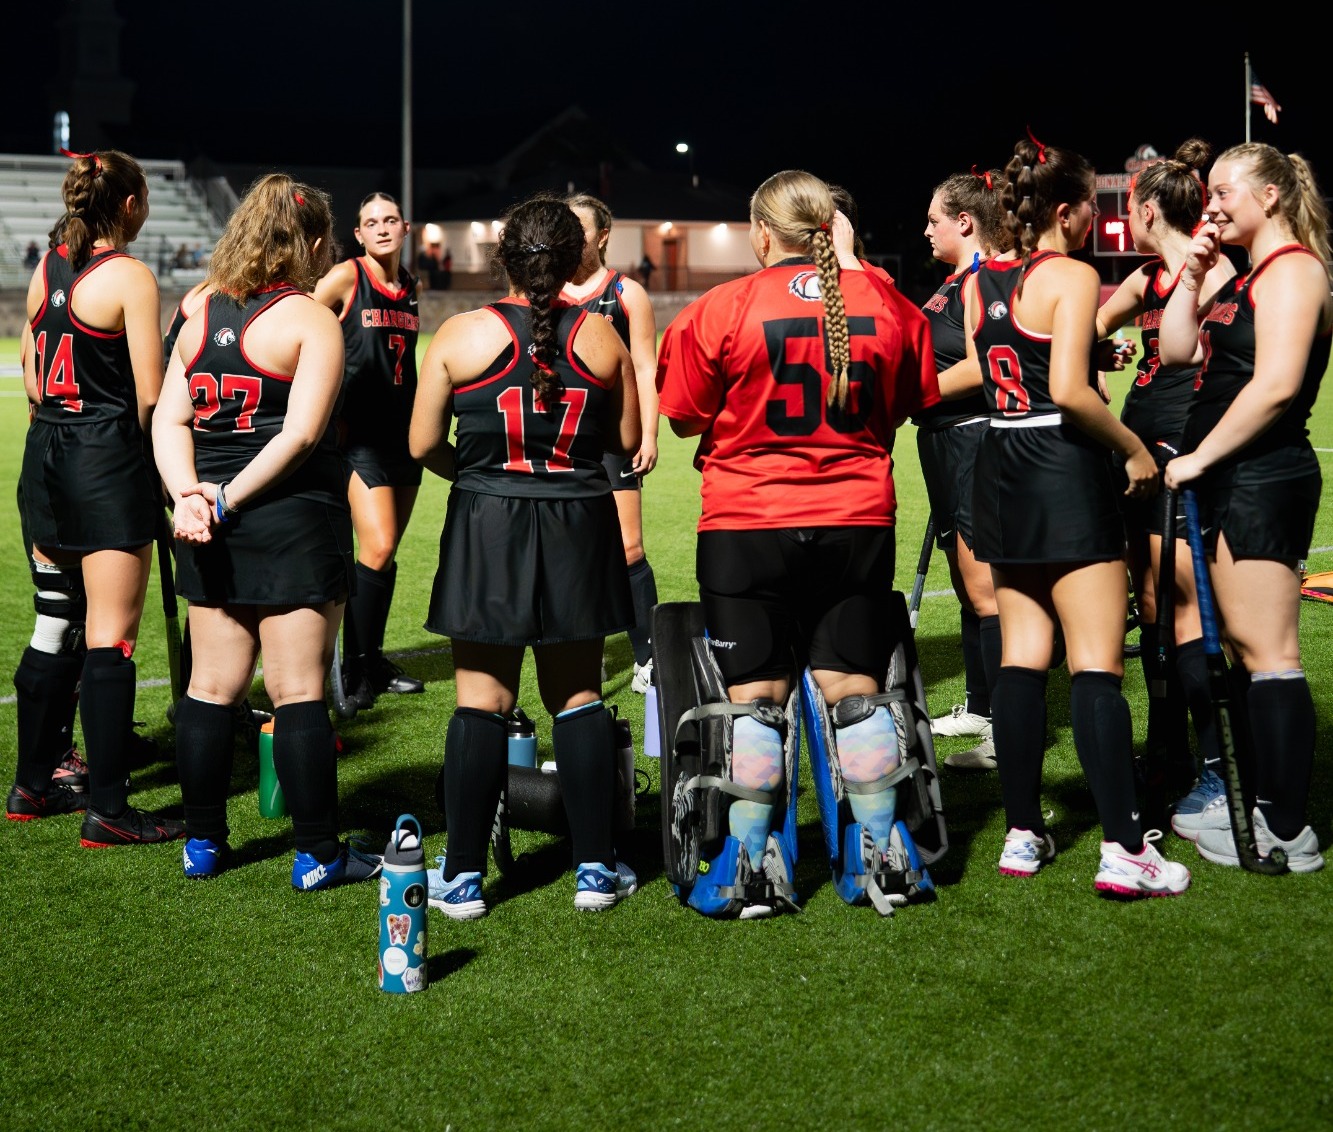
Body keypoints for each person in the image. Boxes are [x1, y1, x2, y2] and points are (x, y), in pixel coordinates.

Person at [655, 170, 939, 918]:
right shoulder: (884, 302)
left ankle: (753, 868)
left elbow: (682, 416)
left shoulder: (721, 307)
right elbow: (911, 399)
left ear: (759, 234)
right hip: (856, 519)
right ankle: (884, 861)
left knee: (755, 701)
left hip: (748, 523)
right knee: (855, 689)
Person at [965, 134, 1190, 897]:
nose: (1098, 220)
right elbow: (1064, 389)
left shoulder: (981, 277)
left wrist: (1093, 358)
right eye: (1091, 206)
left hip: (997, 466)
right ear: (1066, 210)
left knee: (1021, 652)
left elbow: (1016, 367)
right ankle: (1127, 848)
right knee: (1094, 661)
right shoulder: (1071, 272)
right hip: (1059, 464)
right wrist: (1131, 449)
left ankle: (1024, 832)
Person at [410, 194, 641, 917]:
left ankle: (462, 876)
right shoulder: (603, 339)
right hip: (577, 518)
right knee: (577, 698)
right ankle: (596, 870)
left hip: (488, 523)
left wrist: (480, 478)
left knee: (481, 702)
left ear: (501, 257)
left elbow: (420, 447)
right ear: (577, 259)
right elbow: (627, 444)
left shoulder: (457, 334)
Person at [152, 173, 382, 888]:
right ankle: (316, 853)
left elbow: (168, 418)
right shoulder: (309, 316)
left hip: (211, 519)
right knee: (297, 690)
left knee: (211, 688)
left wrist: (186, 496)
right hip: (288, 517)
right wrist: (220, 499)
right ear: (310, 242)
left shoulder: (199, 310)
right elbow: (303, 436)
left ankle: (203, 844)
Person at [1159, 142, 1331, 873]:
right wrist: (1192, 274)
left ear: (1269, 197)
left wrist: (1200, 457)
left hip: (1260, 474)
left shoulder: (1294, 269)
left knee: (1268, 651)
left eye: (1225, 191)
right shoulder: (1240, 274)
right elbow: (1173, 354)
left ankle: (1285, 829)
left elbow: (1277, 386)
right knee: (1238, 647)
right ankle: (1260, 803)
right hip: (1227, 476)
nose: (1212, 203)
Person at [6, 148, 182, 846]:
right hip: (103, 461)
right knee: (112, 636)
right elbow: (148, 395)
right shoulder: (129, 277)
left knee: (55, 622)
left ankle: (32, 782)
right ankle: (109, 807)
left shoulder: (47, 266)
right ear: (132, 203)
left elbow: (29, 370)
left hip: (44, 454)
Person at [1094, 139, 1237, 815]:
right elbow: (1091, 326)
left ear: (1148, 210)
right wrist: (1106, 344)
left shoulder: (1212, 273)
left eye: (1129, 207)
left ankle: (1211, 763)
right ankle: (1167, 750)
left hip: (1183, 450)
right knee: (1151, 604)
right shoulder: (1146, 277)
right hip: (1136, 451)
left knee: (1184, 608)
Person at [914, 169, 1012, 771]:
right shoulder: (950, 282)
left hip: (973, 439)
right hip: (942, 442)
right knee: (965, 578)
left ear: (965, 222)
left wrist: (916, 395)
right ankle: (980, 703)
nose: (926, 230)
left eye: (933, 219)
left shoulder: (985, 277)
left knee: (986, 589)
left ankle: (1008, 724)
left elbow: (981, 366)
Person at [313, 192, 424, 712]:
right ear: (357, 234)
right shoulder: (345, 277)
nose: (381, 229)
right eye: (370, 223)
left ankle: (371, 658)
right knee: (375, 547)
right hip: (359, 438)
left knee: (384, 556)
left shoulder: (410, 287)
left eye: (389, 220)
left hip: (404, 435)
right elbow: (303, 330)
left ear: (405, 228)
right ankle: (353, 668)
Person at [561, 193, 660, 692]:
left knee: (627, 546)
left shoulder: (627, 293)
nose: (573, 236)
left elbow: (645, 366)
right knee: (573, 550)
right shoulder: (547, 291)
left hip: (613, 437)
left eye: (581, 228)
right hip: (564, 436)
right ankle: (587, 651)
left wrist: (649, 431)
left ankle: (648, 659)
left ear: (603, 236)